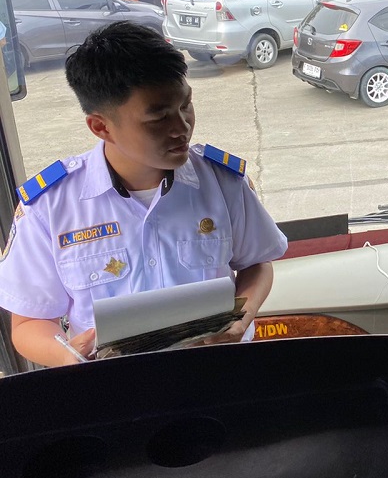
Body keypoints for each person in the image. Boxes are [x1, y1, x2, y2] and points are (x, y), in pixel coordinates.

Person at [0, 21, 287, 367]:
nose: (181, 127)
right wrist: (68, 357)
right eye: (158, 118)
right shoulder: (50, 207)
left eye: (185, 105)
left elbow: (257, 263)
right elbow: (29, 322)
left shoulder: (223, 183)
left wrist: (245, 312)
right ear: (101, 127)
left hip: (217, 374)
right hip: (114, 391)